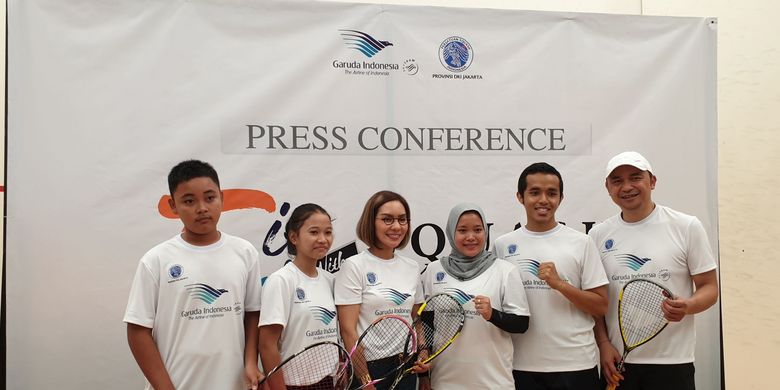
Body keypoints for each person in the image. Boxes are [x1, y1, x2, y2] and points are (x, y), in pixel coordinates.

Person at [124, 159, 263, 390]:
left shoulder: (244, 252)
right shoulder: (156, 260)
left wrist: (250, 362)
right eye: (189, 201)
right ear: (173, 205)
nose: (202, 208)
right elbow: (138, 331)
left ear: (222, 198)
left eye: (210, 198)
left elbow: (252, 314)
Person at [589, 151, 719, 390]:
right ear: (607, 188)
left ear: (653, 181)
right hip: (618, 365)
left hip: (673, 364)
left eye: (635, 177)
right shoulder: (598, 235)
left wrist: (688, 306)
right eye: (617, 181)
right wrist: (604, 343)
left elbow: (709, 287)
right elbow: (596, 299)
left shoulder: (686, 226)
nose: (626, 186)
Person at [493, 162, 608, 390]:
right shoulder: (503, 245)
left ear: (561, 198)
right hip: (519, 366)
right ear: (520, 197)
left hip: (576, 366)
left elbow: (601, 306)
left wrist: (559, 284)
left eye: (551, 193)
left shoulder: (581, 243)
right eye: (534, 192)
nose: (543, 200)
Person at [420, 203, 530, 390]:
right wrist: (423, 373)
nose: (471, 237)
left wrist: (492, 314)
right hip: (444, 382)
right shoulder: (433, 270)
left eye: (478, 230)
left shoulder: (505, 271)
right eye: (462, 230)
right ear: (451, 233)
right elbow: (426, 326)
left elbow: (521, 324)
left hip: (494, 383)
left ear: (485, 233)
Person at [334, 190, 425, 390]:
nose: (396, 226)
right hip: (370, 370)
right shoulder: (353, 266)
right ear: (371, 222)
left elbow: (417, 318)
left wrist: (423, 351)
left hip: (406, 366)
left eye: (402, 220)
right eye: (387, 219)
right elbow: (348, 331)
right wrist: (365, 379)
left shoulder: (411, 267)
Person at [259, 203, 339, 390]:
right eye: (314, 232)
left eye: (328, 232)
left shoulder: (330, 280)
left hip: (329, 382)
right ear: (294, 237)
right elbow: (267, 345)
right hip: (291, 385)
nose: (323, 239)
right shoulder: (280, 280)